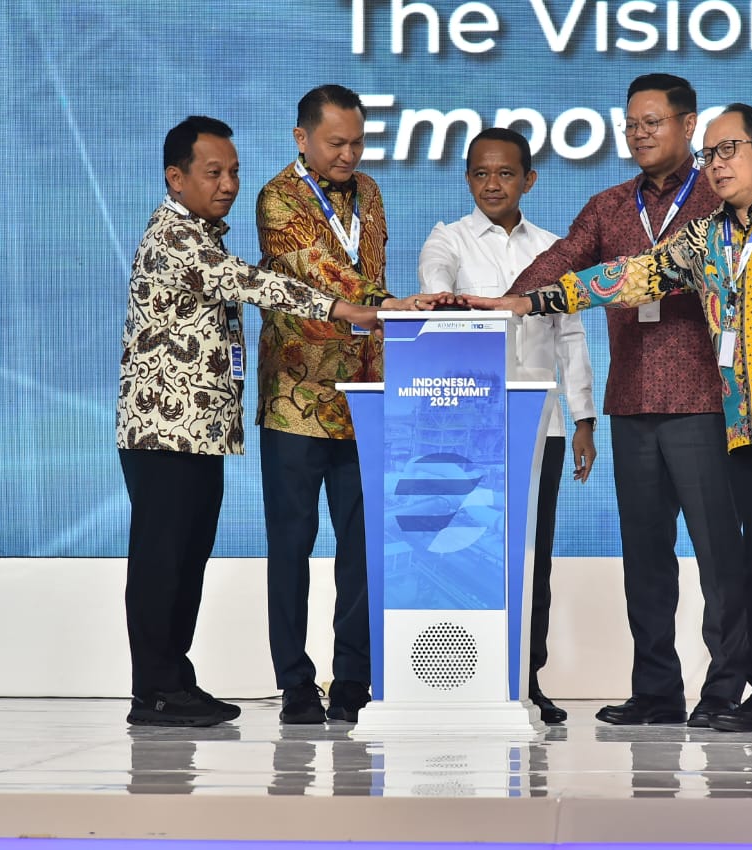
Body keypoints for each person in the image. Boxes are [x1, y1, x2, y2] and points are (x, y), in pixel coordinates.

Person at [466, 103, 752, 736]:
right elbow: (628, 277)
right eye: (710, 155)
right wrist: (529, 301)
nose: (717, 165)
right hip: (745, 427)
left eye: (728, 150)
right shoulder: (705, 236)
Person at [116, 116, 432, 727]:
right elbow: (258, 283)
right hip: (162, 435)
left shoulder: (204, 234)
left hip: (196, 434)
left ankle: (172, 681)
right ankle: (153, 689)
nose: (229, 184)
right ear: (175, 178)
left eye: (233, 171)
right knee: (162, 563)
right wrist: (346, 309)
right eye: (214, 173)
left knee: (186, 560)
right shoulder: (175, 238)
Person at [507, 74, 748, 727]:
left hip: (703, 399)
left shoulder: (719, 198)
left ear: (689, 125)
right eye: (632, 124)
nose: (640, 135)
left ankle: (726, 689)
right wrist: (511, 299)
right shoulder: (610, 206)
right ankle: (656, 692)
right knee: (645, 558)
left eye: (653, 122)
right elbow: (563, 259)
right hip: (633, 401)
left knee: (719, 554)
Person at [417, 127, 598, 725]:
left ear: (529, 180)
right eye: (480, 173)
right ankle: (467, 679)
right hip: (467, 430)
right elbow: (435, 278)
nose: (492, 184)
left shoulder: (554, 250)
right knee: (467, 552)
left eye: (505, 173)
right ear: (467, 179)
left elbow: (571, 337)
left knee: (531, 557)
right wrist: (441, 296)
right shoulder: (448, 238)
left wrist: (583, 418)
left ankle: (527, 676)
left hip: (541, 427)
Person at [255, 85, 407, 725]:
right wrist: (390, 305)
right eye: (335, 143)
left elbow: (372, 270)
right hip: (295, 398)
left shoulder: (369, 192)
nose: (348, 155)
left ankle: (352, 682)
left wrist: (392, 318)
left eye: (357, 143)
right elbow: (322, 273)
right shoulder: (277, 197)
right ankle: (294, 684)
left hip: (364, 400)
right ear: (302, 138)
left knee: (364, 549)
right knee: (291, 547)